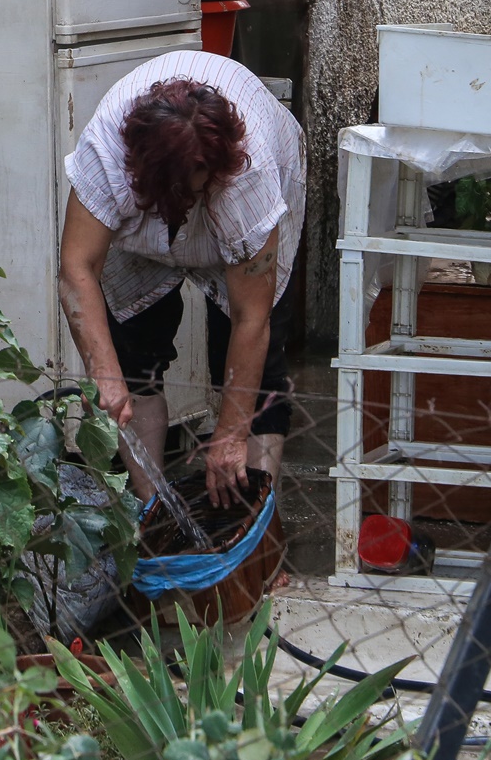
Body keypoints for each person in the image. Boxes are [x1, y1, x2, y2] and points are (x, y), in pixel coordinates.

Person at [58, 51, 305, 509]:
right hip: (140, 227)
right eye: (186, 192)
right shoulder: (106, 155)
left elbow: (252, 318)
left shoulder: (246, 178)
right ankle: (154, 513)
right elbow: (77, 269)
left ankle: (259, 544)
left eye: (201, 189)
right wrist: (106, 376)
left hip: (240, 207)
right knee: (133, 360)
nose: (193, 203)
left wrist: (229, 435)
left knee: (258, 374)